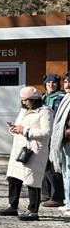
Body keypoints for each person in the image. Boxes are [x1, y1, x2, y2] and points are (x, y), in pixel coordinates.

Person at [0, 86, 53, 221]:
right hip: (20, 148)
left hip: (35, 150)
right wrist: (14, 129)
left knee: (32, 179)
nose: (24, 102)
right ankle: (12, 206)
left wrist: (25, 130)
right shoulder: (24, 111)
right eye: (22, 100)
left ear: (34, 99)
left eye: (26, 100)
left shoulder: (45, 111)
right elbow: (20, 127)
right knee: (13, 177)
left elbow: (46, 132)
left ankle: (33, 211)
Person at [41, 73, 66, 206]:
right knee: (43, 164)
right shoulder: (42, 97)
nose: (51, 85)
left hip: (55, 135)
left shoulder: (61, 97)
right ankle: (46, 194)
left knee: (54, 165)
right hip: (43, 135)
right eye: (48, 83)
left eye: (54, 83)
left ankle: (57, 197)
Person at [48, 72, 70, 211]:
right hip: (63, 140)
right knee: (65, 172)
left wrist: (66, 132)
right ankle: (68, 203)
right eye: (66, 82)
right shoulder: (66, 99)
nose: (68, 84)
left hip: (68, 139)